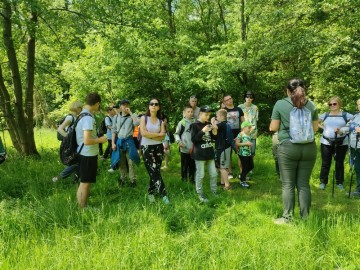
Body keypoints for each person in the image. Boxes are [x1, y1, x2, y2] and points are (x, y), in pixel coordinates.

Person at [270, 79, 318, 224]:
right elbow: (315, 129)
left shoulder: (280, 104)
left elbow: (273, 127)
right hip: (309, 147)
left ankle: (287, 218)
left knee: (288, 184)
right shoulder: (311, 105)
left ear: (287, 91)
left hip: (288, 147)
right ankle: (305, 218)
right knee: (303, 184)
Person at [76, 93, 108, 208]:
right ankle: (82, 208)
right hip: (87, 153)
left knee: (86, 181)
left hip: (86, 153)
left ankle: (84, 205)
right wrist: (101, 139)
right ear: (97, 103)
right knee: (84, 182)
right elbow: (87, 140)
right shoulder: (88, 118)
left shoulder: (83, 114)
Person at [318, 96, 353, 190]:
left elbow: (353, 124)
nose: (332, 105)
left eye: (334, 104)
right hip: (326, 141)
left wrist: (342, 130)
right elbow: (314, 122)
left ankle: (339, 183)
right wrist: (323, 128)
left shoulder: (346, 115)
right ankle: (323, 182)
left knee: (339, 163)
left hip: (342, 142)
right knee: (325, 163)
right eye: (330, 104)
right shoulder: (325, 115)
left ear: (339, 104)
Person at [140, 98, 170, 204]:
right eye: (151, 104)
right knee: (153, 171)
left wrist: (151, 135)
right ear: (149, 106)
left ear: (158, 107)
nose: (153, 105)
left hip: (158, 148)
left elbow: (163, 136)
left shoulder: (160, 121)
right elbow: (143, 133)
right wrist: (157, 135)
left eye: (156, 104)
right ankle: (164, 195)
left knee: (156, 170)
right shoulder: (144, 118)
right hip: (146, 147)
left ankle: (151, 193)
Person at [191, 105, 218, 203]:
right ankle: (200, 193)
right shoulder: (194, 125)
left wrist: (214, 131)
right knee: (200, 175)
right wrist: (203, 131)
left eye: (209, 115)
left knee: (214, 174)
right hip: (199, 155)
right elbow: (194, 140)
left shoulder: (209, 124)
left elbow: (213, 139)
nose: (208, 117)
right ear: (200, 114)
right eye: (206, 114)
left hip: (210, 153)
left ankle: (214, 191)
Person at [52, 101, 83, 183]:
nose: (82, 110)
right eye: (81, 108)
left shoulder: (76, 117)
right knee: (76, 162)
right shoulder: (70, 118)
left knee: (76, 161)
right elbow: (60, 129)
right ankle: (57, 178)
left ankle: (75, 180)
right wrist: (68, 138)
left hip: (73, 144)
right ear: (78, 108)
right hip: (69, 144)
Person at [111, 99, 140, 187]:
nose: (125, 106)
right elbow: (114, 130)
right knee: (121, 162)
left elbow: (137, 123)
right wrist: (113, 143)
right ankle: (122, 179)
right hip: (119, 141)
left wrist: (130, 113)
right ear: (120, 106)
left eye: (127, 105)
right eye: (123, 105)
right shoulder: (116, 117)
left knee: (131, 161)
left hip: (129, 141)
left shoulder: (133, 115)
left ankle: (132, 180)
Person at [339, 98, 360, 196]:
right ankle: (359, 190)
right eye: (359, 104)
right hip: (354, 146)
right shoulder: (355, 116)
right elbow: (348, 127)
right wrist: (340, 130)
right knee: (357, 168)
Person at [223, 94, 244, 179]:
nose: (229, 100)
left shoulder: (238, 109)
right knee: (228, 155)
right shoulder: (223, 110)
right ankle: (229, 172)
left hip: (238, 135)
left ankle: (242, 172)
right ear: (224, 102)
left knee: (240, 154)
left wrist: (242, 133)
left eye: (230, 98)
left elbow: (243, 122)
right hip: (227, 135)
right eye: (227, 100)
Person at [213, 109, 233, 190]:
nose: (216, 118)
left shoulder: (222, 124)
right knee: (221, 166)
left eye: (217, 116)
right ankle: (222, 182)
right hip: (223, 147)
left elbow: (214, 127)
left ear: (222, 116)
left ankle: (227, 185)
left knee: (222, 167)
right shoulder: (225, 124)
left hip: (223, 148)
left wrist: (212, 121)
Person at [175, 105, 195, 182]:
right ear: (184, 113)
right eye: (188, 112)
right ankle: (183, 179)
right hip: (184, 149)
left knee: (192, 165)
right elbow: (176, 134)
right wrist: (179, 142)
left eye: (191, 112)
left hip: (193, 149)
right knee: (184, 165)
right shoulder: (182, 123)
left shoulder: (195, 122)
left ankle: (192, 179)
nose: (190, 113)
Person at [239, 91, 259, 160]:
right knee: (243, 151)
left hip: (252, 133)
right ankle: (243, 167)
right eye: (247, 96)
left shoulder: (255, 107)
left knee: (252, 151)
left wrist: (252, 129)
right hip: (243, 132)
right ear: (245, 97)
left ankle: (250, 167)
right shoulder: (240, 107)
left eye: (250, 97)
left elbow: (256, 120)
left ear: (252, 99)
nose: (248, 98)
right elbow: (239, 121)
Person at [235, 121, 254, 188]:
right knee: (245, 167)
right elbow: (237, 144)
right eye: (249, 127)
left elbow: (248, 142)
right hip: (242, 154)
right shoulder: (240, 134)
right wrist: (246, 144)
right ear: (243, 128)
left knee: (251, 166)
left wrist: (250, 145)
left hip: (248, 153)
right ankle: (242, 181)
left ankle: (242, 175)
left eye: (250, 127)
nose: (250, 129)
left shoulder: (249, 134)